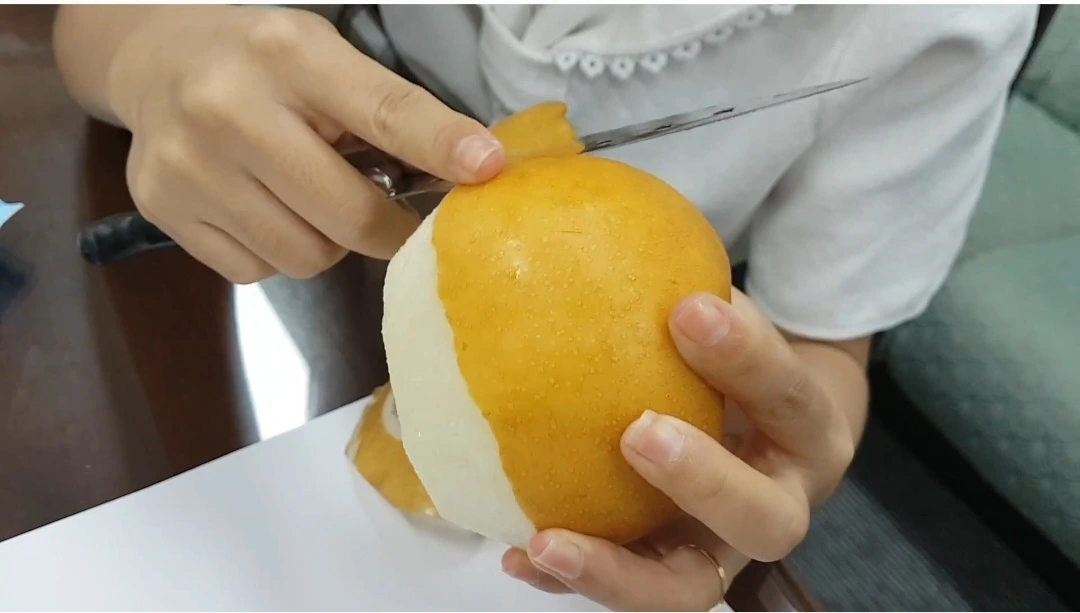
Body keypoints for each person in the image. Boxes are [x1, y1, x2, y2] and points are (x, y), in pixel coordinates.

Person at [53, 4, 1038, 611]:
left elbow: (825, 343)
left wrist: (793, 451)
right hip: (321, 284)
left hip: (636, 408)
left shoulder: (939, 21)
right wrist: (153, 51)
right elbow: (87, 22)